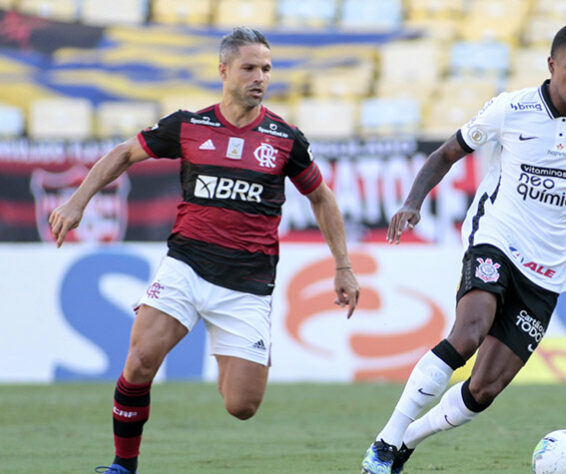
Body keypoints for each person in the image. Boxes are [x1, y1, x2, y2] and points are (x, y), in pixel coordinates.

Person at [49, 27, 360, 474]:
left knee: (242, 406)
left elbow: (322, 197)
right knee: (138, 363)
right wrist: (77, 202)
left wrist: (343, 267)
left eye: (266, 69)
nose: (260, 77)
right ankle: (123, 466)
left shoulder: (284, 139)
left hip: (247, 285)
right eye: (249, 68)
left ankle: (232, 347)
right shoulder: (190, 126)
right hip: (186, 267)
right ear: (224, 71)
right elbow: (122, 153)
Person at [360, 23, 566, 473]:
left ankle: (407, 441)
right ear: (551, 65)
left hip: (547, 269)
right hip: (497, 237)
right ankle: (384, 444)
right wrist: (412, 202)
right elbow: (446, 153)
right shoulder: (511, 108)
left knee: (483, 389)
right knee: (467, 333)